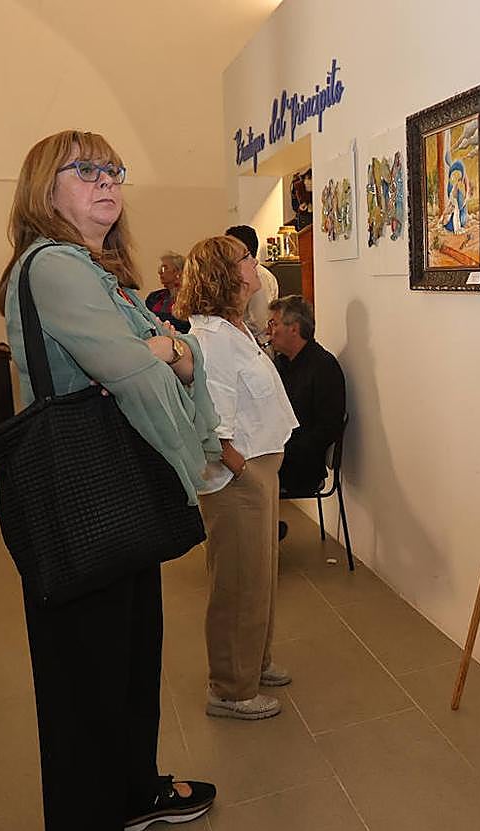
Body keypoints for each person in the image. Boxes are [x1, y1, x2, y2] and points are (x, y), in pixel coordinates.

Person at [0, 130, 219, 831]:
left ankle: (130, 791)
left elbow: (170, 356)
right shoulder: (56, 268)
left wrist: (165, 351)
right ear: (44, 188)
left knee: (124, 665)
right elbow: (141, 369)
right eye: (84, 169)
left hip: (114, 496)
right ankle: (92, 815)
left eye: (113, 169)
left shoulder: (96, 272)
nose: (106, 180)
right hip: (84, 498)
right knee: (86, 687)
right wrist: (165, 353)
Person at [175, 235, 298, 720]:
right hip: (237, 478)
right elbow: (213, 427)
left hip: (259, 468)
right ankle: (229, 688)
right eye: (245, 259)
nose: (254, 264)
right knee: (238, 584)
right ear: (224, 275)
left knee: (262, 576)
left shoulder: (236, 330)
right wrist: (245, 474)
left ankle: (254, 662)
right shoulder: (209, 342)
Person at [266, 295, 345, 538]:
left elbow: (328, 428)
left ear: (294, 328)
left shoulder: (323, 367)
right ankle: (260, 535)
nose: (270, 331)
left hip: (302, 464)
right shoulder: (281, 364)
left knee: (243, 478)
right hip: (280, 453)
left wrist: (281, 450)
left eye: (274, 324)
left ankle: (262, 535)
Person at [224, 224, 279, 338]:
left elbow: (259, 322)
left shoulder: (259, 276)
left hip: (257, 344)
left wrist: (231, 329)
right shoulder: (234, 274)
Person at [145, 251, 190, 333]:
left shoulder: (190, 298)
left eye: (164, 268)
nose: (159, 272)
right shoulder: (154, 297)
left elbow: (186, 325)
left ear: (178, 272)